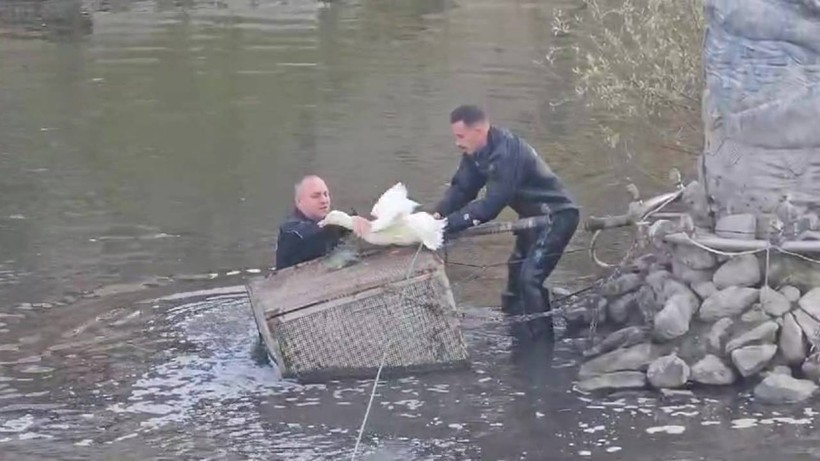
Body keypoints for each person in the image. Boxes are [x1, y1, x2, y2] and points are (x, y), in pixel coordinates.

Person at [433, 104, 580, 338]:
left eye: (460, 136)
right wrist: (437, 216)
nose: (457, 142)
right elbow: (462, 189)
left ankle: (541, 345)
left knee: (530, 278)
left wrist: (448, 226)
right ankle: (514, 326)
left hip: (557, 217)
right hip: (531, 219)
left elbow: (491, 206)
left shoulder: (507, 153)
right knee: (515, 273)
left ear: (479, 130)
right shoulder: (476, 154)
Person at [275, 175, 370, 270]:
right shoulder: (290, 230)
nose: (324, 200)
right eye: (316, 196)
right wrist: (345, 223)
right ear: (299, 201)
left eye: (326, 194)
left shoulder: (328, 223)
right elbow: (309, 235)